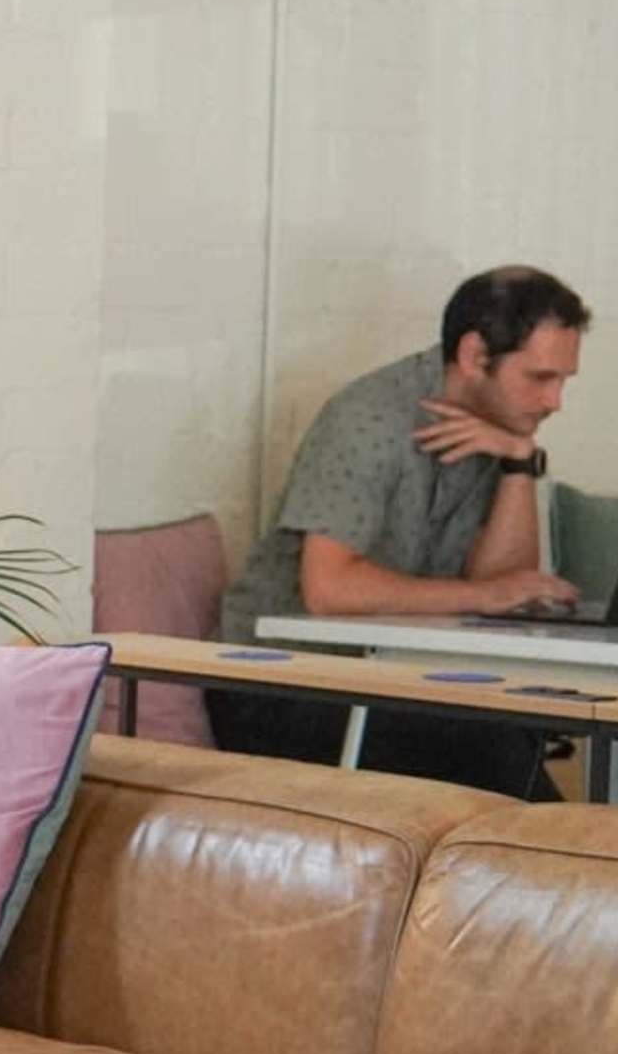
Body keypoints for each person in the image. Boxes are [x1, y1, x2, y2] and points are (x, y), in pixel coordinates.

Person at [207, 265, 590, 799]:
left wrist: (519, 463)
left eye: (563, 381)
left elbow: (505, 585)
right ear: (475, 355)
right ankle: (565, 849)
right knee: (486, 746)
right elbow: (329, 590)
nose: (555, 401)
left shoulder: (495, 427)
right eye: (540, 378)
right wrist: (485, 595)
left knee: (513, 729)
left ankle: (562, 846)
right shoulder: (368, 420)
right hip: (281, 685)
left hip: (388, 679)